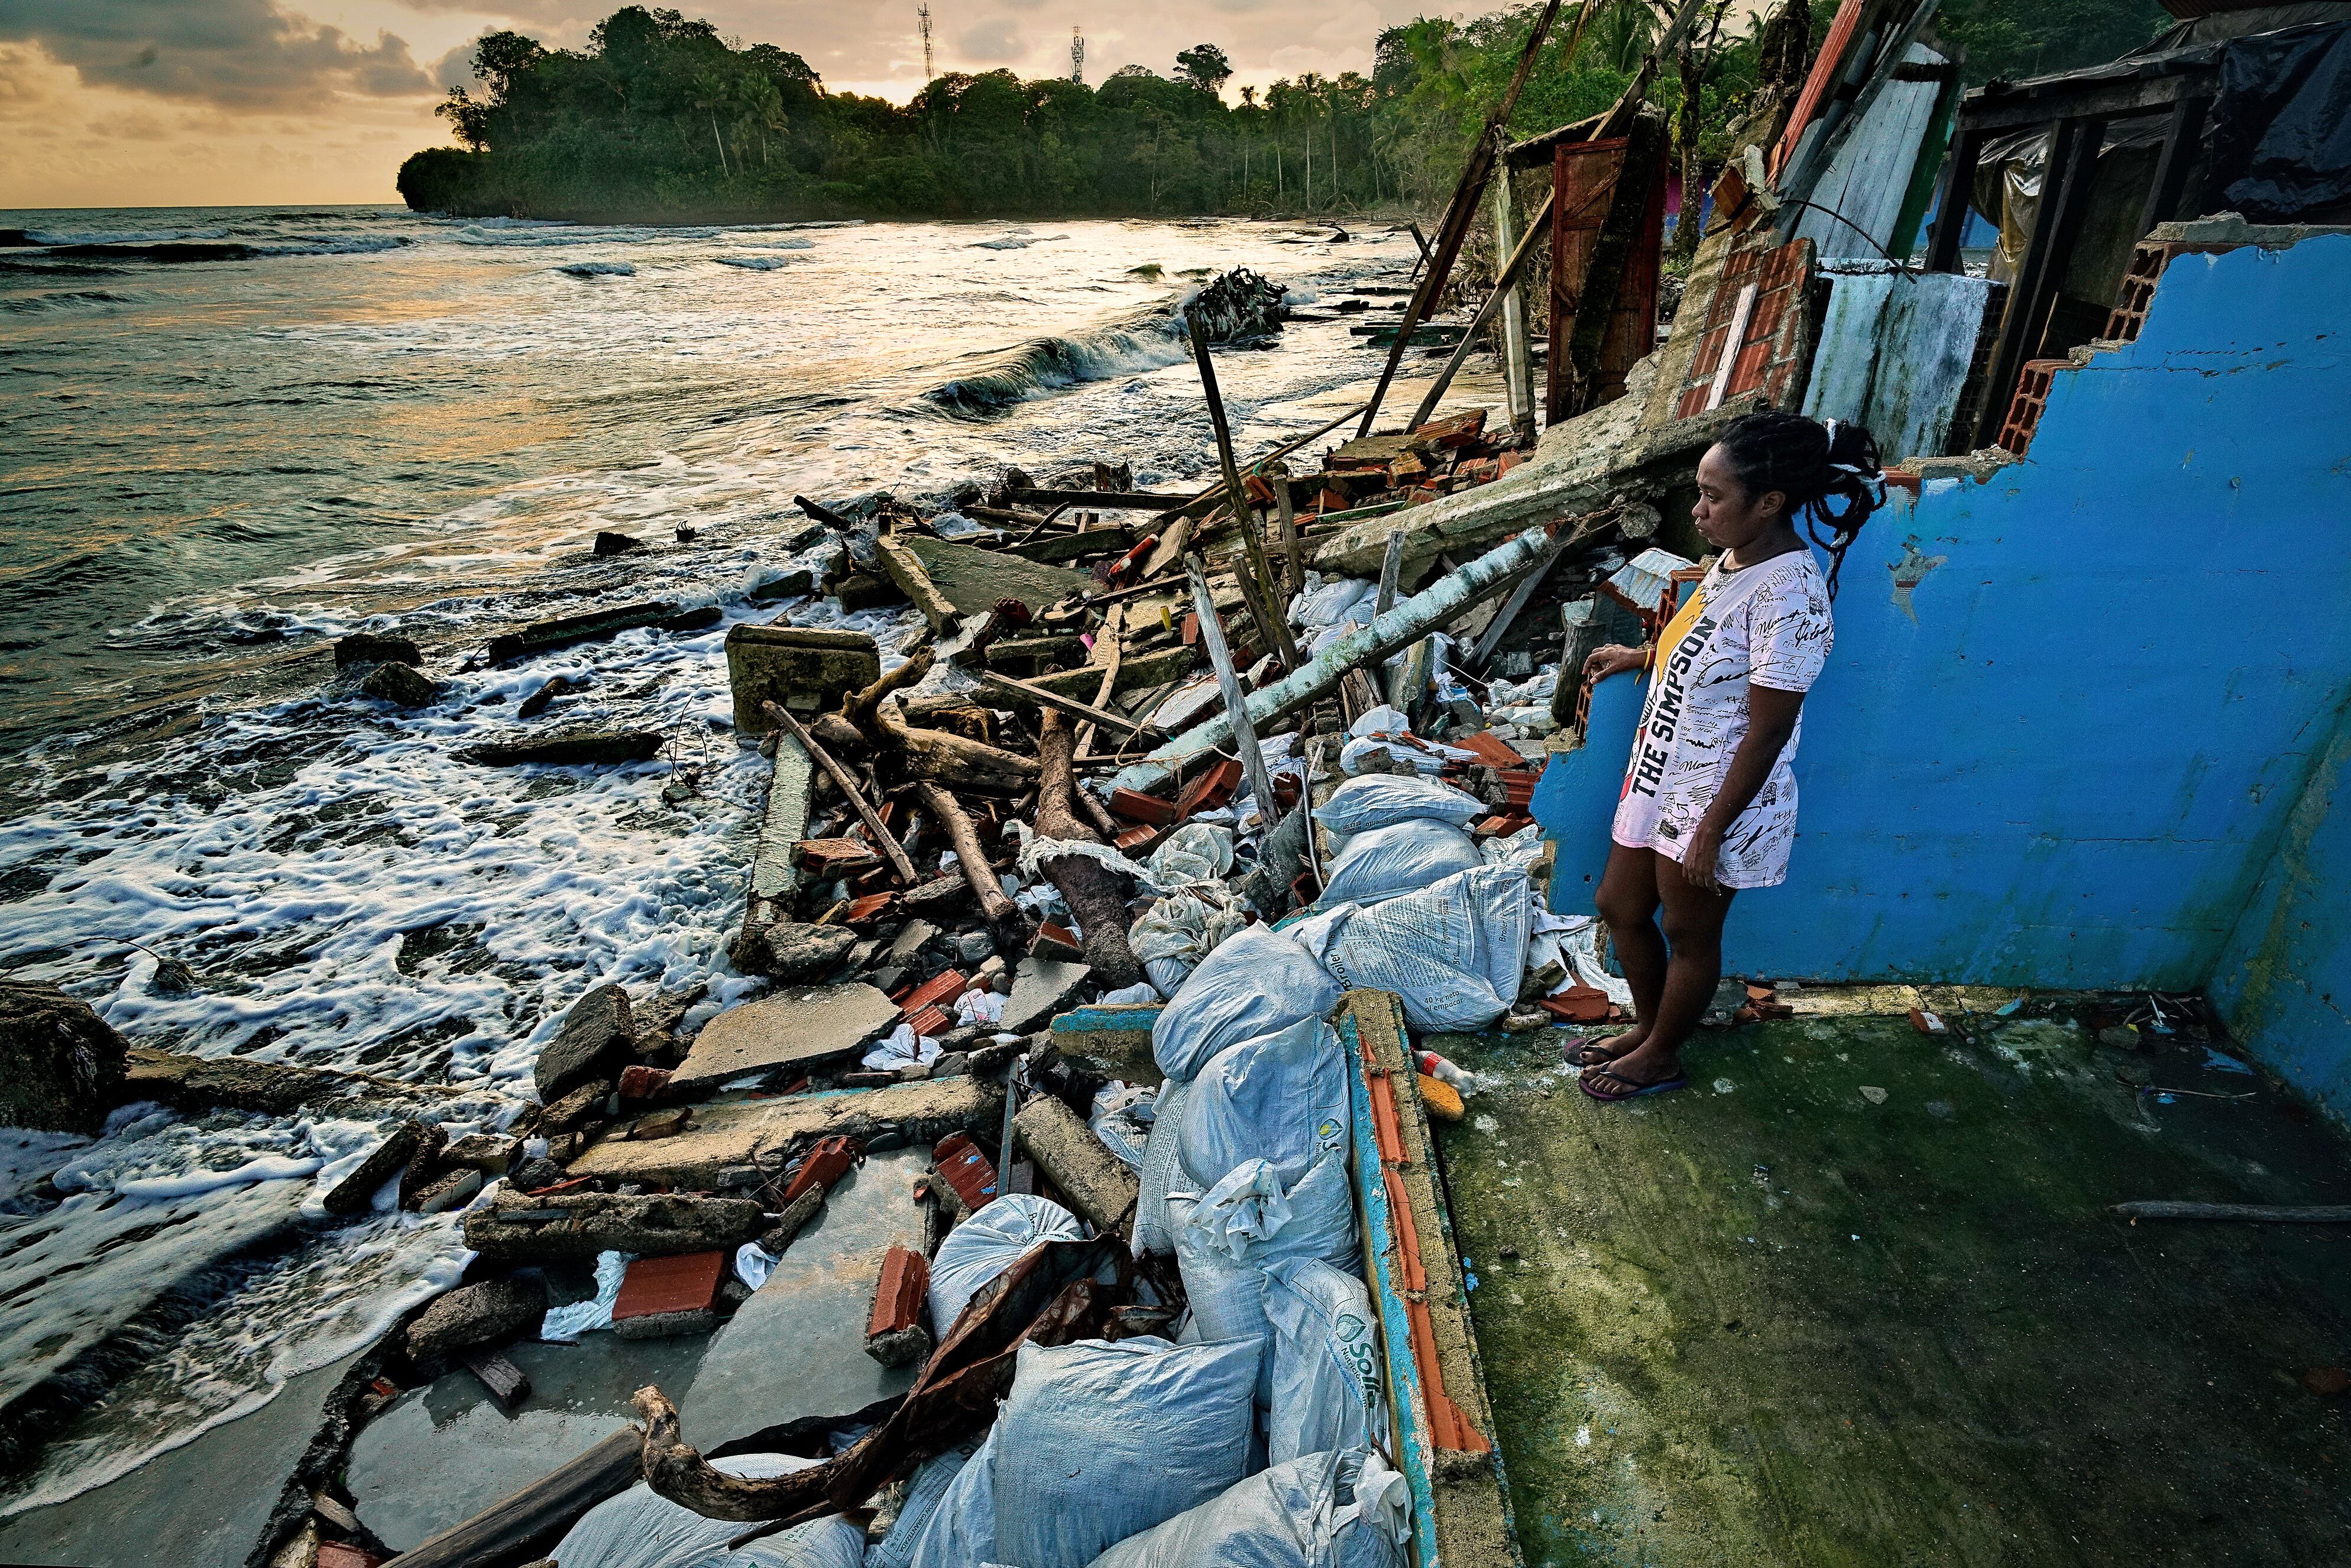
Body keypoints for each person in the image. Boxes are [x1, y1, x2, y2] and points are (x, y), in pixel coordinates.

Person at [1573, 411, 1885, 1102]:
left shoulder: (1793, 597)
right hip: (1662, 773)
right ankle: (1650, 1028)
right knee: (1619, 904)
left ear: (1769, 502)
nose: (1698, 510)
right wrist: (1642, 655)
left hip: (1718, 795)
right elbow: (1710, 645)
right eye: (1700, 491)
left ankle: (1661, 1055)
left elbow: (1769, 731)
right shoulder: (1736, 558)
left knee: (1688, 930)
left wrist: (1713, 829)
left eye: (1713, 496)